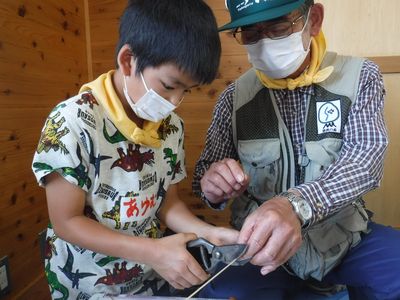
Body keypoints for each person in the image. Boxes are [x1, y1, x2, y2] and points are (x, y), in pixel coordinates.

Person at [193, 0, 400, 299]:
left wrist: (295, 205)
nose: (264, 42)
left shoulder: (359, 76)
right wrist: (211, 186)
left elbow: (364, 161)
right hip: (259, 249)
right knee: (219, 292)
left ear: (313, 20)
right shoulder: (233, 99)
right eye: (251, 34)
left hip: (342, 239)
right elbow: (204, 174)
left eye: (278, 28)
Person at [32, 1, 239, 298]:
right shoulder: (72, 122)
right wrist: (153, 251)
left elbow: (167, 204)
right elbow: (67, 222)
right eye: (169, 85)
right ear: (128, 60)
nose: (175, 101)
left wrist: (207, 233)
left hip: (149, 274)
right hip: (87, 282)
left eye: (186, 91)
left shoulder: (171, 127)